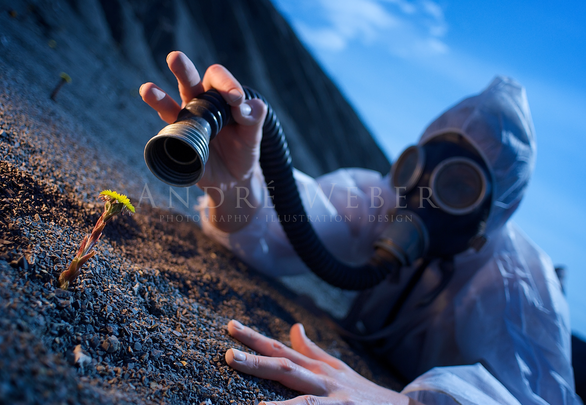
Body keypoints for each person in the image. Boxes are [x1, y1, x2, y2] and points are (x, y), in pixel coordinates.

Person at [140, 51, 582, 405]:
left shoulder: (515, 293)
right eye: (419, 168)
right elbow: (282, 234)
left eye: (459, 187)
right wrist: (237, 189)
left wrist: (398, 403)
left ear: (492, 216)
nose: (424, 193)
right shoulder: (380, 200)